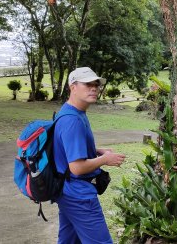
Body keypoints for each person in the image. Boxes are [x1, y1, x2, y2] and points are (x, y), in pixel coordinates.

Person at [53, 67, 126, 243]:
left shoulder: (73, 112)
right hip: (79, 195)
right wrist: (105, 159)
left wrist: (97, 151)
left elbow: (68, 150)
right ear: (73, 87)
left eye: (96, 84)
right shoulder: (72, 120)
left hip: (67, 191)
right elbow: (77, 167)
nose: (94, 88)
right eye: (87, 84)